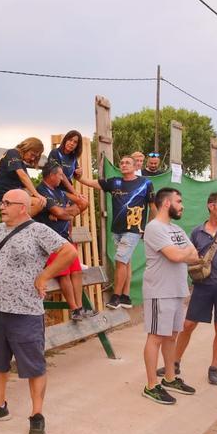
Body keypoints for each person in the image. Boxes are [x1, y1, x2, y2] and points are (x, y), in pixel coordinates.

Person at [0, 189, 78, 434]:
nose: (2, 206)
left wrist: (44, 276)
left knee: (33, 365)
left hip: (26, 311)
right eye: (2, 202)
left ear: (23, 207)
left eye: (7, 203)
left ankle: (37, 414)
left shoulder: (38, 230)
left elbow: (69, 253)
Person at [157, 192, 217, 385]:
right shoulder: (196, 232)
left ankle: (214, 368)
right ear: (211, 206)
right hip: (202, 285)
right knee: (187, 325)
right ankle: (175, 363)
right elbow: (188, 254)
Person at [141, 187, 199, 405]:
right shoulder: (154, 228)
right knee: (155, 337)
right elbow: (177, 255)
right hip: (159, 291)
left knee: (172, 336)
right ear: (166, 203)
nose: (182, 205)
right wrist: (182, 253)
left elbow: (194, 255)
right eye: (179, 201)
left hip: (177, 290)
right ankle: (151, 385)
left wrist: (181, 254)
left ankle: (170, 378)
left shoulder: (175, 228)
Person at [83, 156, 155, 310]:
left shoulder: (145, 183)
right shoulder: (115, 182)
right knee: (126, 262)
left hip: (134, 230)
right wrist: (78, 176)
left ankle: (115, 297)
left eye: (127, 163)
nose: (123, 165)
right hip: (117, 230)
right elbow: (93, 183)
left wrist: (149, 227)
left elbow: (153, 207)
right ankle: (126, 297)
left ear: (136, 166)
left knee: (120, 261)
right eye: (121, 163)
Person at [33, 162, 88, 320]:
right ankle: (74, 309)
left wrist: (64, 212)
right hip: (50, 241)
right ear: (51, 175)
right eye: (60, 175)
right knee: (64, 274)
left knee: (76, 271)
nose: (62, 178)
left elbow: (82, 205)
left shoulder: (59, 192)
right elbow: (61, 213)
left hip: (65, 238)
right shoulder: (41, 191)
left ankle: (80, 307)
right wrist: (62, 213)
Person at [0, 138, 47, 216]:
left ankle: (17, 223)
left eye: (35, 157)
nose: (33, 158)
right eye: (32, 154)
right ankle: (16, 223)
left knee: (41, 203)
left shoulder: (21, 163)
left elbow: (27, 187)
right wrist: (37, 195)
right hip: (3, 194)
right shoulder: (12, 153)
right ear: (27, 147)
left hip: (16, 195)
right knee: (38, 202)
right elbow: (23, 176)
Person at [47, 130, 90, 212]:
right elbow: (61, 175)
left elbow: (77, 176)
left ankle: (65, 216)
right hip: (54, 189)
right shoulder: (55, 153)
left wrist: (79, 172)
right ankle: (63, 215)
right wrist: (74, 192)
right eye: (70, 140)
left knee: (84, 203)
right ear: (65, 140)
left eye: (75, 142)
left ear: (77, 145)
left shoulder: (73, 158)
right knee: (69, 209)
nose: (72, 143)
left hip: (67, 191)